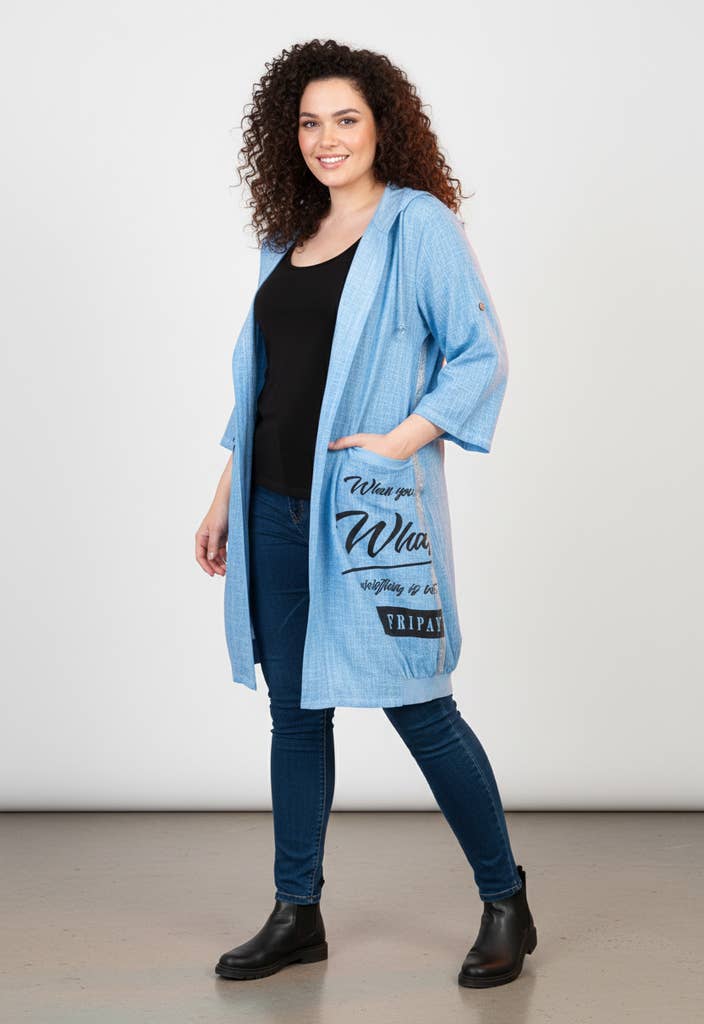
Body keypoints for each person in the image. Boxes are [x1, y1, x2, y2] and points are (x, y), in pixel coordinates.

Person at [196, 39, 537, 988]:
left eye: (346, 118)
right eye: (310, 122)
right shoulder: (286, 236)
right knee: (296, 713)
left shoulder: (416, 225)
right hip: (270, 507)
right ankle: (296, 913)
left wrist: (400, 440)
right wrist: (223, 495)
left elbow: (480, 355)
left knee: (421, 704)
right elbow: (262, 385)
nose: (327, 138)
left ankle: (505, 900)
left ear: (383, 125)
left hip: (367, 511)